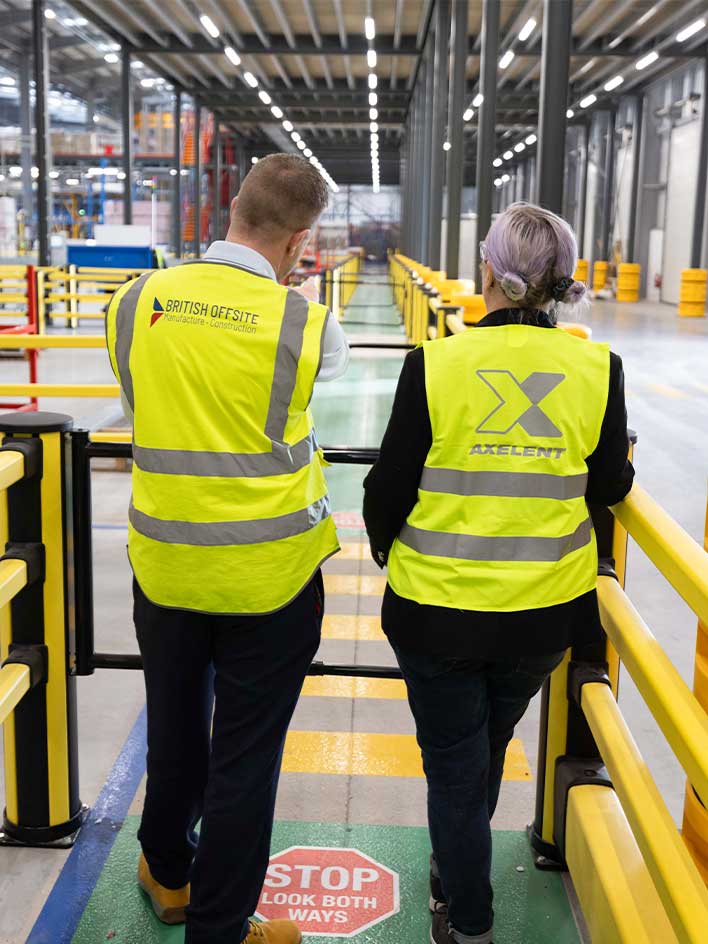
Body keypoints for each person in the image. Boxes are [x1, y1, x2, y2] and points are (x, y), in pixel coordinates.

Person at [363, 202, 633, 944]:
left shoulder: (436, 364)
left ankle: (467, 920)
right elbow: (610, 485)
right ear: (560, 284)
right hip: (544, 616)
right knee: (483, 749)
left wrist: (387, 545)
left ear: (489, 269)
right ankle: (453, 873)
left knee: (455, 762)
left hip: (434, 610)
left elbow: (389, 486)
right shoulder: (596, 369)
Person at [106, 153, 349, 944]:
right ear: (299, 242)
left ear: (233, 209)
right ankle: (219, 927)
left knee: (174, 725)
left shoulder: (135, 302)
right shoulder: (307, 323)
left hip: (166, 565)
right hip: (269, 581)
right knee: (245, 757)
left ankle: (167, 872)